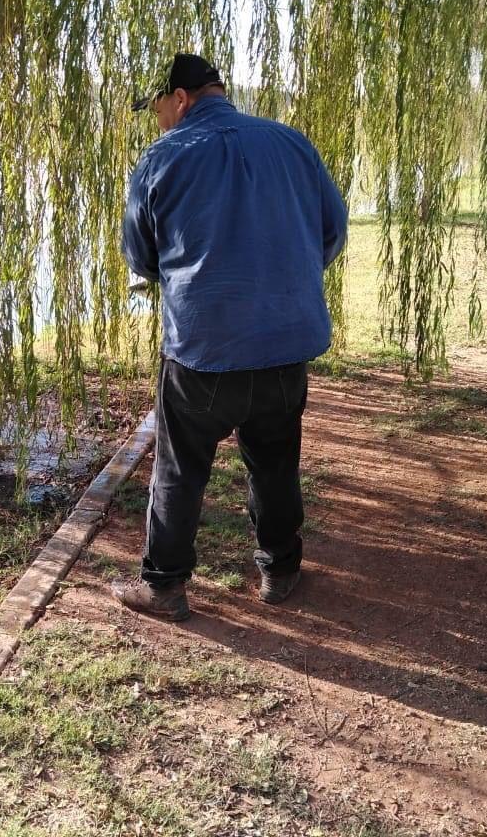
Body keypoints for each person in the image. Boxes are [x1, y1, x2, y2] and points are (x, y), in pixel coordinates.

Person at [114, 52, 348, 622]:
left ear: (182, 98)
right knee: (275, 460)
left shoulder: (160, 159)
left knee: (180, 465)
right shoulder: (292, 144)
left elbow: (140, 257)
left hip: (202, 351)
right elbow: (333, 231)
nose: (158, 121)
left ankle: (165, 586)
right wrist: (281, 276)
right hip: (283, 347)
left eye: (158, 109)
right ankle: (280, 569)